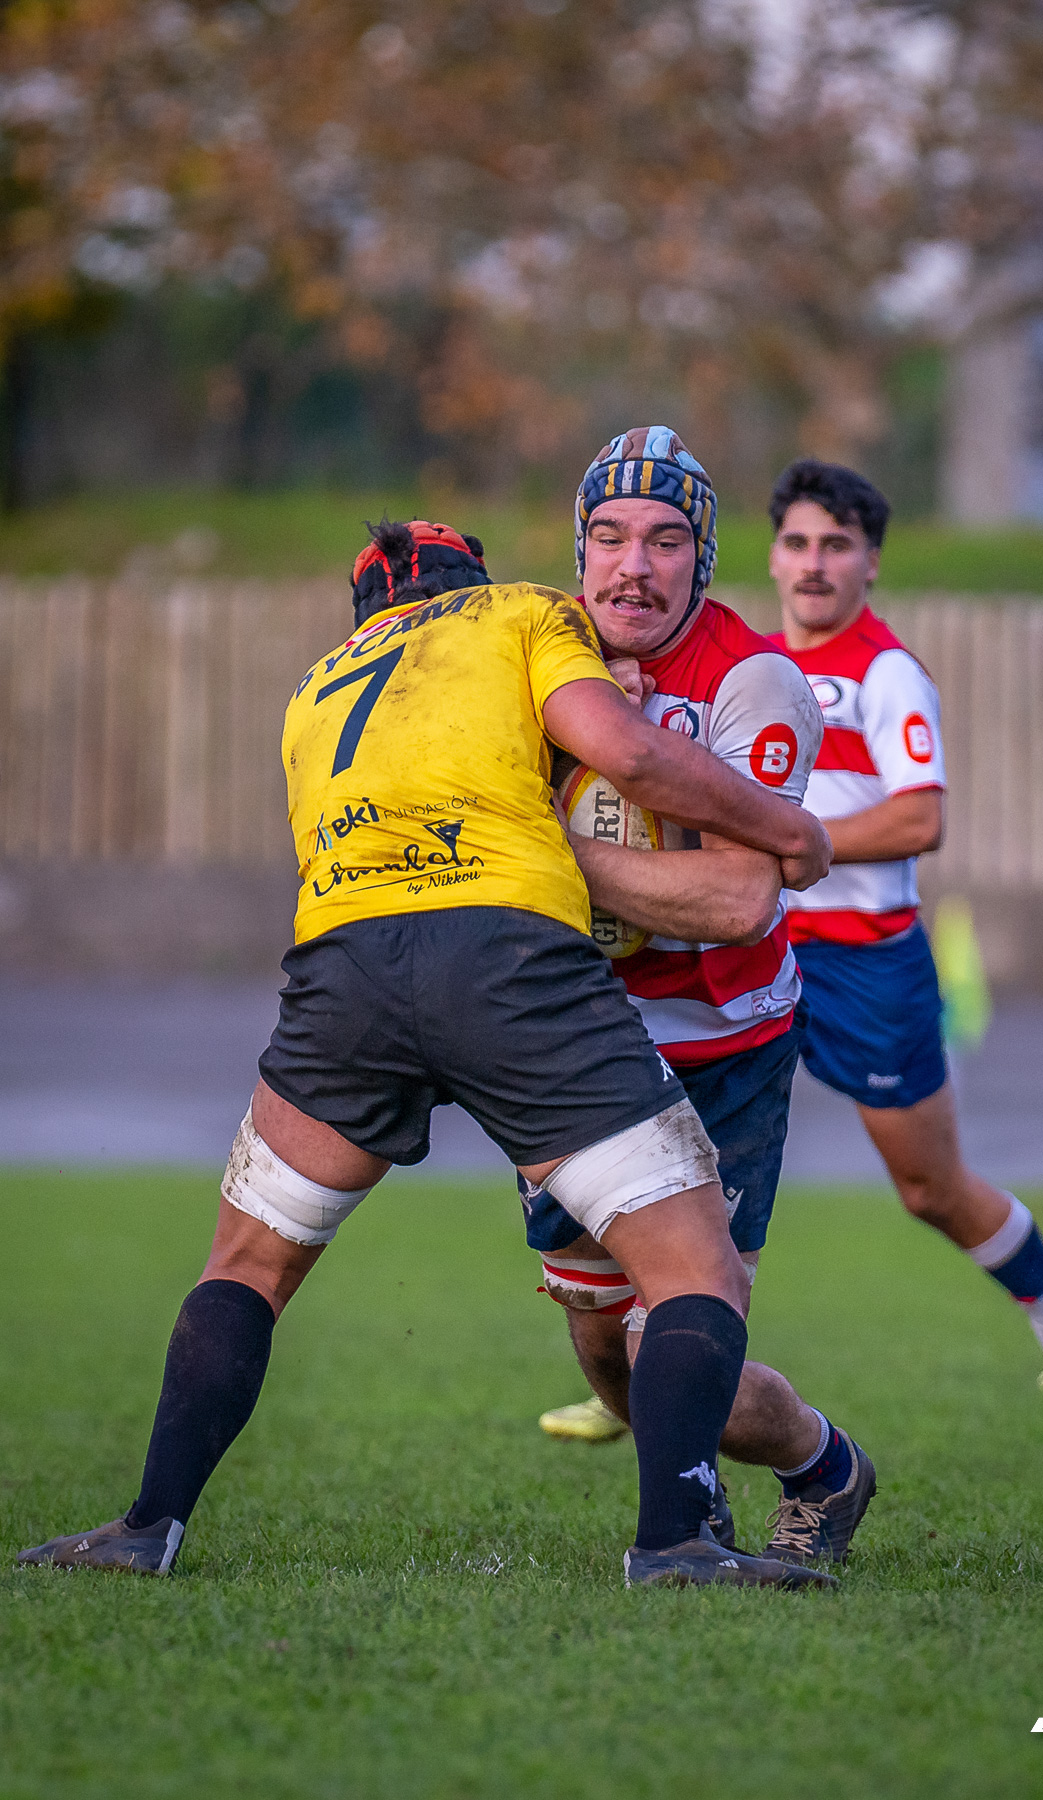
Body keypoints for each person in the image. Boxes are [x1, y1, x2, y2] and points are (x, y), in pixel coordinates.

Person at [18, 516, 836, 1591]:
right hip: (504, 957)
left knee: (248, 1266)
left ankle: (146, 1524)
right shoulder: (523, 614)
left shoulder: (314, 689)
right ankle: (677, 1542)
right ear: (471, 582)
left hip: (343, 970)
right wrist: (787, 829)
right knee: (694, 1267)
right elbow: (630, 753)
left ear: (371, 612)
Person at [526, 428, 877, 1568]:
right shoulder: (539, 661)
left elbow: (735, 899)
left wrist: (543, 865)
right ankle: (713, 1490)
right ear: (578, 551)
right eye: (610, 537)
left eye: (666, 540)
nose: (635, 566)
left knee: (671, 1333)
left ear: (704, 557)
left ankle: (821, 1465)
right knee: (607, 1360)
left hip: (723, 1051)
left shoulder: (755, 682)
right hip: (579, 1045)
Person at [765, 458, 1043, 1463]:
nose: (815, 563)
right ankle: (637, 1369)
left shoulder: (887, 673)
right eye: (798, 542)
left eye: (837, 545)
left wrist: (800, 839)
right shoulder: (747, 667)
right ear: (773, 556)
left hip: (869, 968)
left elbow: (922, 816)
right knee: (680, 1151)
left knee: (929, 1189)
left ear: (871, 562)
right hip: (755, 950)